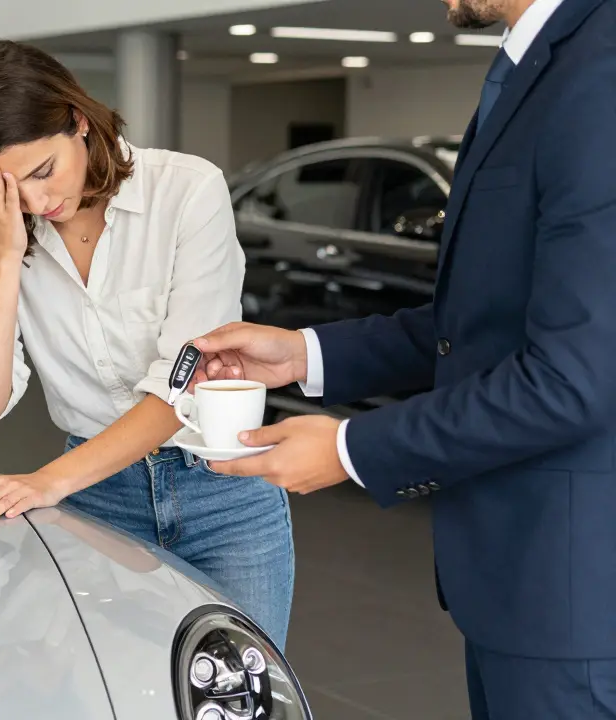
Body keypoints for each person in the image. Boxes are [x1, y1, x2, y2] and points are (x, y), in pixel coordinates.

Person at [191, 0, 616, 716]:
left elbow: (573, 379)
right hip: (526, 589)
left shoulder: (599, 69)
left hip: (575, 596)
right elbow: (475, 326)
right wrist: (301, 354)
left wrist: (353, 449)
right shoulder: (537, 63)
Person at [0, 39, 294, 648]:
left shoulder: (187, 192)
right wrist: (8, 258)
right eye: (11, 189)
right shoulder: (5, 231)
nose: (38, 202)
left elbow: (179, 387)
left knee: (237, 697)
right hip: (97, 497)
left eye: (44, 172)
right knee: (110, 691)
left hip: (222, 495)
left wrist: (49, 480)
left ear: (78, 122)